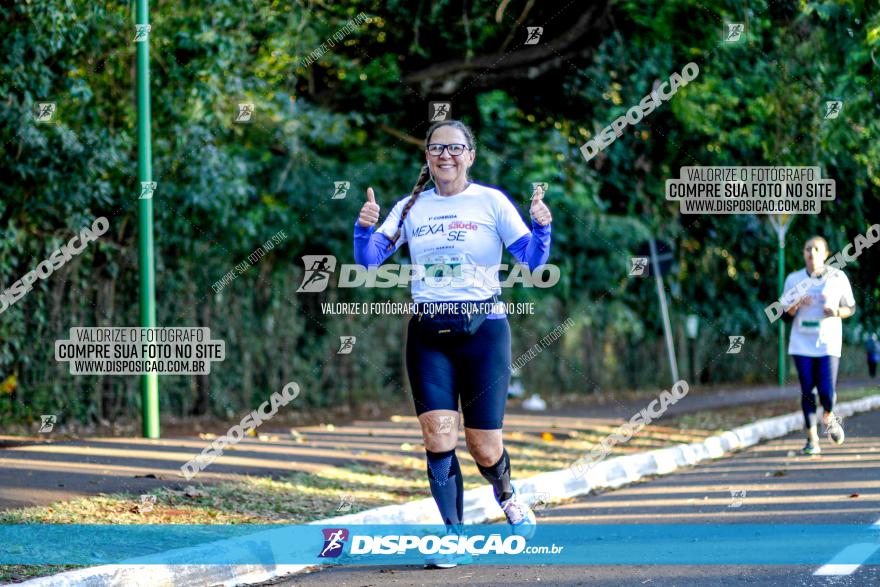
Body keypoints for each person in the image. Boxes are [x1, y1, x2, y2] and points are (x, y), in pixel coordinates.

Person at [352, 119, 552, 568]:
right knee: (438, 433)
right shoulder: (409, 207)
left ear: (470, 155)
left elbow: (534, 262)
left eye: (455, 148)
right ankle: (453, 535)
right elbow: (366, 264)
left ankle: (507, 494)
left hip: (485, 332)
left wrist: (542, 228)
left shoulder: (491, 201)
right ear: (427, 156)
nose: (445, 155)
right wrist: (363, 229)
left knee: (484, 445)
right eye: (437, 148)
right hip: (428, 334)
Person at [782, 236, 855, 455]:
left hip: (828, 343)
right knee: (807, 392)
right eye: (807, 248)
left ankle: (829, 416)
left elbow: (850, 308)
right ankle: (812, 439)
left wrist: (836, 312)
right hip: (801, 344)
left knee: (826, 391)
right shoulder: (793, 279)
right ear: (803, 253)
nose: (811, 253)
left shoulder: (837, 277)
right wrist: (795, 304)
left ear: (826, 253)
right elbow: (785, 316)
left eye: (816, 249)